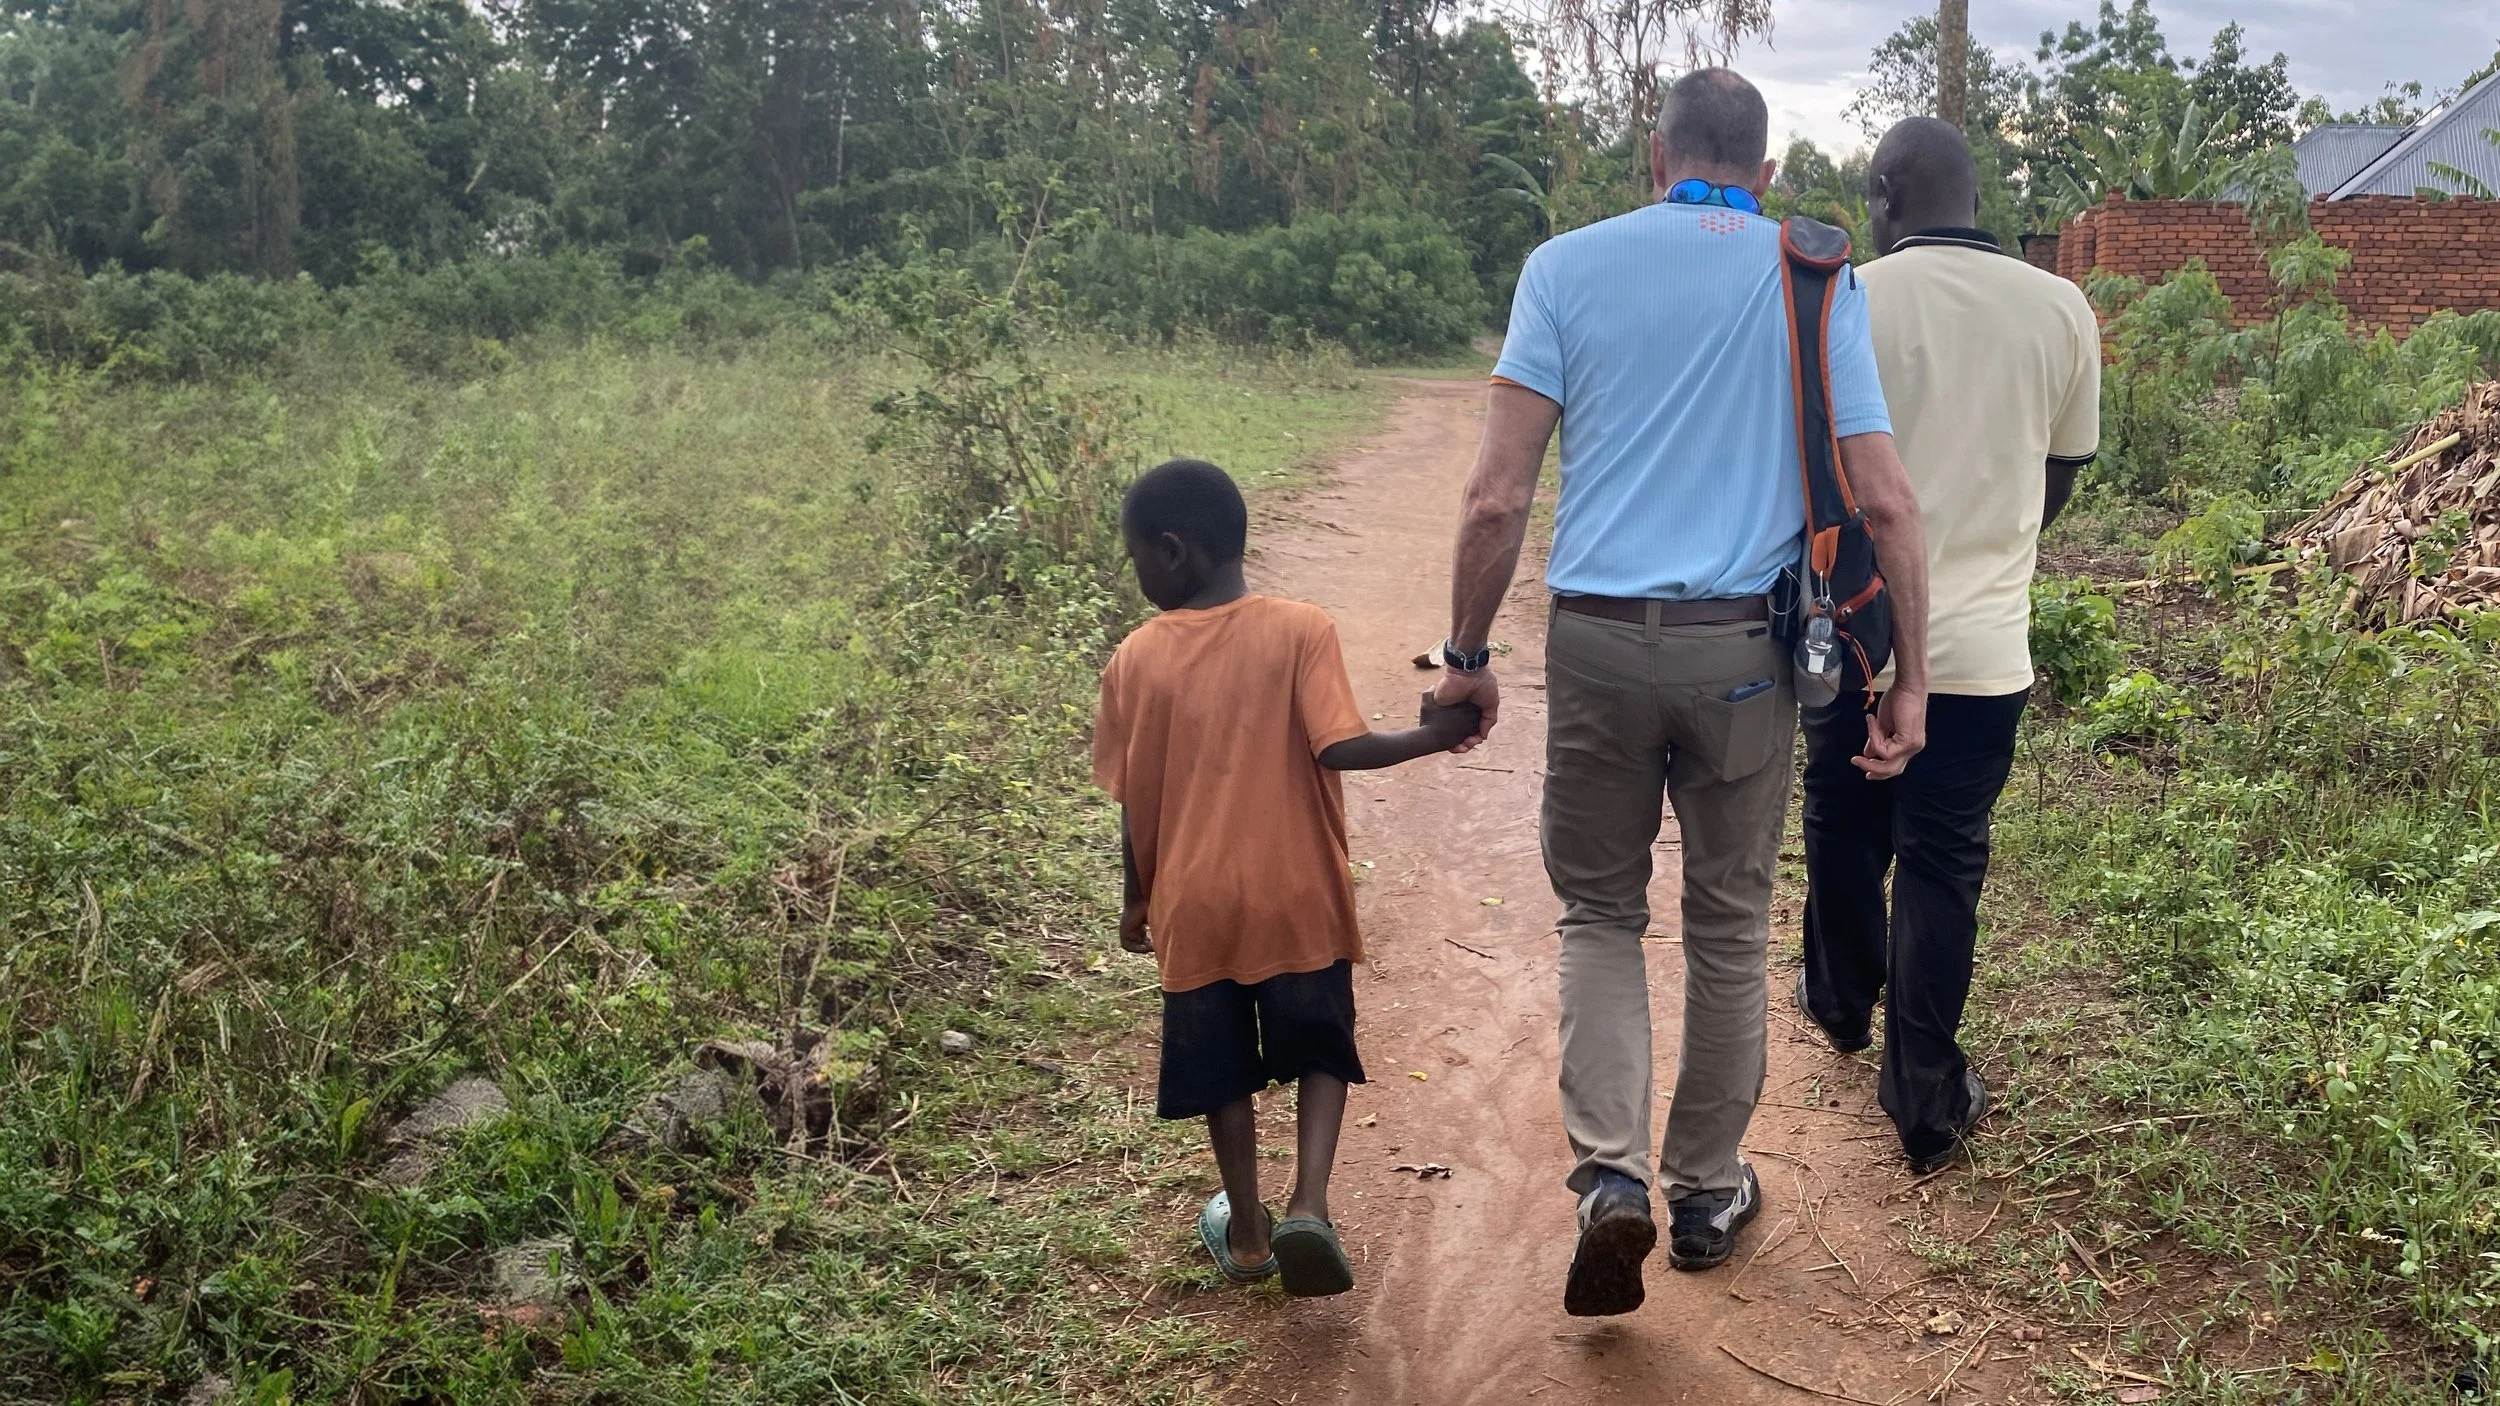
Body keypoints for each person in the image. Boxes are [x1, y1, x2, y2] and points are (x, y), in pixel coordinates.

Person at [1433, 69, 1933, 1316]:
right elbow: (1884, 498)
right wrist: (1910, 678)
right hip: (1745, 657)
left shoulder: (1562, 267)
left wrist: (1469, 654)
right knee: (1724, 921)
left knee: (1600, 915)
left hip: (1598, 642)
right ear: (1763, 172)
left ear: (1650, 157)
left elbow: (1496, 497)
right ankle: (1706, 1190)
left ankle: (1611, 1177)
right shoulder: (1813, 278)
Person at [1094, 457, 1481, 1298]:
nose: (1138, 575)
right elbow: (1341, 747)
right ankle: (1309, 1202)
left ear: (1172, 553)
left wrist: (1135, 898)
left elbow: (1133, 801)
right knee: (1318, 1046)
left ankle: (1247, 1230)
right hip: (1297, 893)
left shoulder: (1133, 659)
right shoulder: (1301, 628)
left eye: (1135, 558)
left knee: (1221, 1070)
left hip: (1194, 906)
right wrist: (1438, 733)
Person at [1794, 117, 2101, 1174]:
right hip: (1982, 650)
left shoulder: (1849, 300)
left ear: (1882, 196)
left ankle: (1838, 1000)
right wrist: (1991, 545)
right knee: (1942, 859)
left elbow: (1817, 474)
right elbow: (2059, 477)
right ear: (1975, 198)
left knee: (1839, 811)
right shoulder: (2061, 307)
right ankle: (1923, 1096)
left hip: (1852, 634)